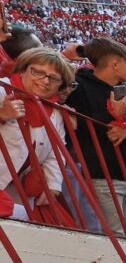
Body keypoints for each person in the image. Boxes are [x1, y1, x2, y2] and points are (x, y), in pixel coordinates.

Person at [65, 37, 126, 237]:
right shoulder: (79, 87)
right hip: (101, 174)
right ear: (115, 64)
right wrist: (112, 115)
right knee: (116, 235)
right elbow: (80, 126)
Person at [0, 48, 74, 223]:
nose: (45, 80)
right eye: (38, 71)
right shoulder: (2, 89)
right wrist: (1, 114)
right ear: (24, 69)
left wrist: (52, 185)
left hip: (19, 189)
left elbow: (56, 152)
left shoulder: (54, 112)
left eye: (54, 78)